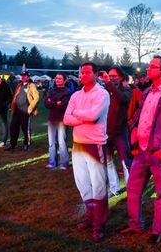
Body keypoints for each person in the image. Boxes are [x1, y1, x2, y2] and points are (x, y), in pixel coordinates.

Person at [118, 55, 161, 245]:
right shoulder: (147, 91)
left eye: (152, 66)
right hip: (141, 152)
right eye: (149, 66)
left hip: (159, 154)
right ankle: (136, 224)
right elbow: (139, 118)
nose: (148, 69)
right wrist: (134, 142)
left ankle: (158, 230)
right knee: (132, 189)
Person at [63, 62, 110, 242]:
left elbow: (93, 116)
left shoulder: (102, 94)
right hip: (78, 144)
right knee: (83, 184)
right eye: (81, 72)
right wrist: (83, 115)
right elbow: (67, 118)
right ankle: (91, 218)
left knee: (98, 185)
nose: (82, 75)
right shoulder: (75, 95)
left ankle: (100, 224)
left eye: (87, 72)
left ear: (96, 74)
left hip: (94, 143)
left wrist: (78, 114)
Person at [100, 66, 132, 197]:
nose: (112, 78)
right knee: (108, 161)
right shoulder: (104, 91)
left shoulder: (126, 90)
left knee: (126, 161)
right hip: (106, 132)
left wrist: (108, 83)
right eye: (110, 76)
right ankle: (114, 188)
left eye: (114, 76)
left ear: (121, 77)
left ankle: (131, 188)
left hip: (119, 132)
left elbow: (122, 98)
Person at [5, 71, 39, 152]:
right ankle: (13, 145)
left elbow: (36, 98)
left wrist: (30, 108)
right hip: (17, 110)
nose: (23, 77)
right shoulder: (19, 85)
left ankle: (27, 144)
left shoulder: (31, 85)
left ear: (28, 77)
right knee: (13, 127)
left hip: (25, 110)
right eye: (22, 76)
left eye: (25, 76)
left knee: (25, 129)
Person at [44, 73, 72, 169]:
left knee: (61, 141)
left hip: (62, 119)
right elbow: (46, 103)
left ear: (64, 80)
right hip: (52, 119)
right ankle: (52, 162)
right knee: (51, 142)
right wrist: (56, 103)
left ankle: (64, 163)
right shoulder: (52, 91)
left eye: (60, 78)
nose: (57, 80)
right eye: (56, 78)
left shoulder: (67, 92)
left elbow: (63, 105)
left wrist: (52, 102)